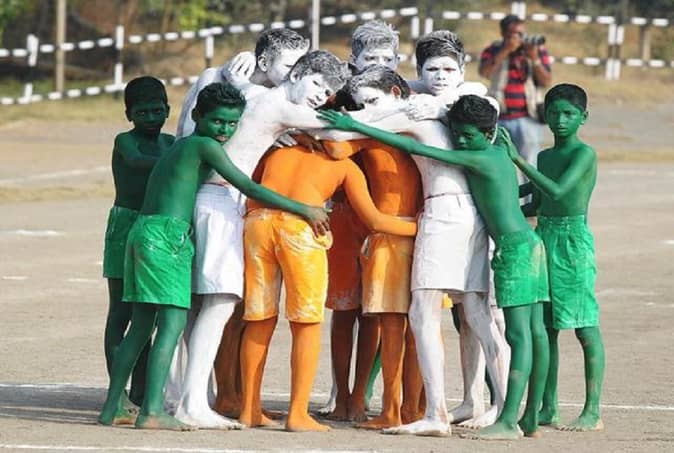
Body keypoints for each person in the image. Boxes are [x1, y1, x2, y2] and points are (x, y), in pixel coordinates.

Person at [97, 82, 329, 431]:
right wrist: (304, 208)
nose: (225, 130)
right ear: (196, 115)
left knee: (141, 326)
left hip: (143, 230)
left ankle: (113, 407)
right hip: (168, 236)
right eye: (218, 121)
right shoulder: (205, 146)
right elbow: (247, 185)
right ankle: (152, 411)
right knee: (171, 326)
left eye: (232, 123)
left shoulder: (180, 145)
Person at [320, 94, 550, 440]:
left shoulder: (443, 133)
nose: (460, 139)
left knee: (425, 312)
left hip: (455, 221)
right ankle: (510, 412)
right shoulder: (494, 150)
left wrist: (352, 122)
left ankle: (439, 414)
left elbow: (417, 148)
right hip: (488, 229)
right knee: (485, 318)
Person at [173, 50, 351, 428]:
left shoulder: (258, 96)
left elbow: (246, 90)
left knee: (204, 305)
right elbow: (336, 131)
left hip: (214, 201)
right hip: (219, 200)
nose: (320, 96)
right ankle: (192, 403)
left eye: (328, 92)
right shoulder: (279, 106)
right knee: (220, 302)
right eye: (317, 85)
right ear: (296, 74)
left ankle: (191, 397)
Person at [239, 138, 417, 432]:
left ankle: (249, 409)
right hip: (300, 229)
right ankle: (298, 414)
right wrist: (422, 227)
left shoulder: (278, 150)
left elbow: (251, 187)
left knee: (260, 318)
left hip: (257, 223)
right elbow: (375, 220)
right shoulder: (345, 166)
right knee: (306, 322)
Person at [320, 65, 424, 429]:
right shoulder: (421, 125)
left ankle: (394, 410)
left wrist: (348, 119)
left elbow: (335, 147)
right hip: (423, 231)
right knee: (417, 326)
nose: (366, 110)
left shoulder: (380, 133)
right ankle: (411, 408)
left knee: (395, 326)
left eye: (371, 103)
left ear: (395, 93)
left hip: (391, 234)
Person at [507, 83, 605, 432]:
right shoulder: (544, 157)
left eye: (568, 114)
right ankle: (549, 406)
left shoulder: (584, 154)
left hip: (572, 242)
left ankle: (592, 410)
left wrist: (516, 160)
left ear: (583, 117)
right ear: (544, 116)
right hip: (544, 237)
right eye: (553, 113)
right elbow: (537, 202)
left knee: (584, 326)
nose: (560, 120)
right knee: (546, 328)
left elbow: (559, 191)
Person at [102, 76, 174, 411]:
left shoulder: (171, 142)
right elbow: (135, 161)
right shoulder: (125, 141)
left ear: (168, 110)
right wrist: (181, 159)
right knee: (121, 312)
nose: (150, 117)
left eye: (157, 110)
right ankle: (117, 394)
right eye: (142, 112)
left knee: (149, 314)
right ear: (128, 114)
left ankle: (141, 391)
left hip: (156, 228)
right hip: (125, 224)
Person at [479, 14, 552, 180]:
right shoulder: (493, 50)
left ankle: (530, 197)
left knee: (529, 166)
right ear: (504, 34)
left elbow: (546, 81)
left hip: (528, 118)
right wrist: (505, 51)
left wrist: (534, 58)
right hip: (500, 117)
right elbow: (485, 73)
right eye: (515, 34)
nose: (520, 38)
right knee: (500, 165)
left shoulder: (535, 51)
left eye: (522, 33)